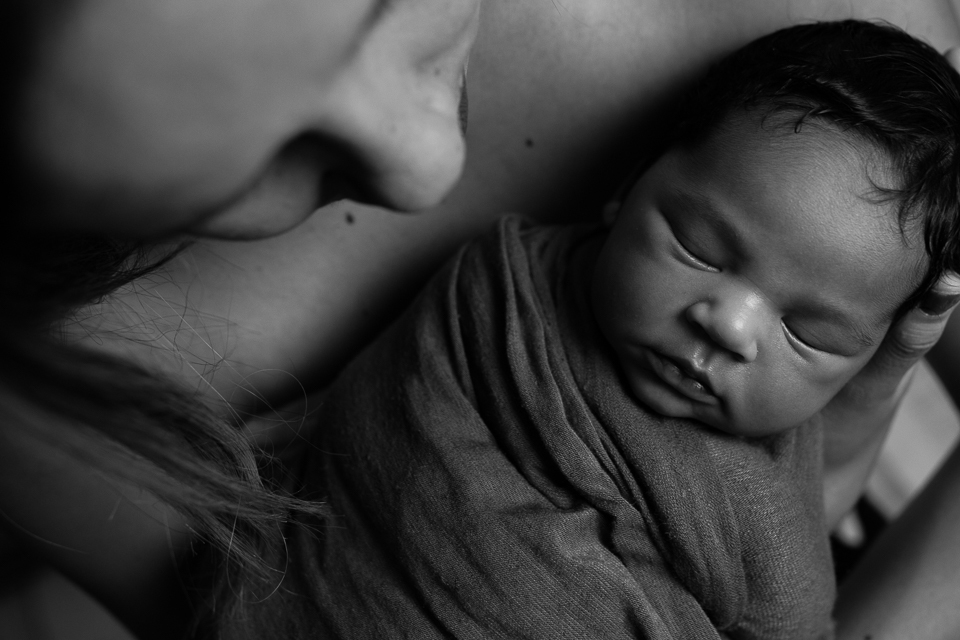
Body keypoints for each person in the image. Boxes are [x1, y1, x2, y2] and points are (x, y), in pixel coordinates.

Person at [0, 1, 959, 639]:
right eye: (252, 163)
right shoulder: (43, 395)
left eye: (383, 8)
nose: (423, 165)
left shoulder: (838, 66)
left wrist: (851, 415)